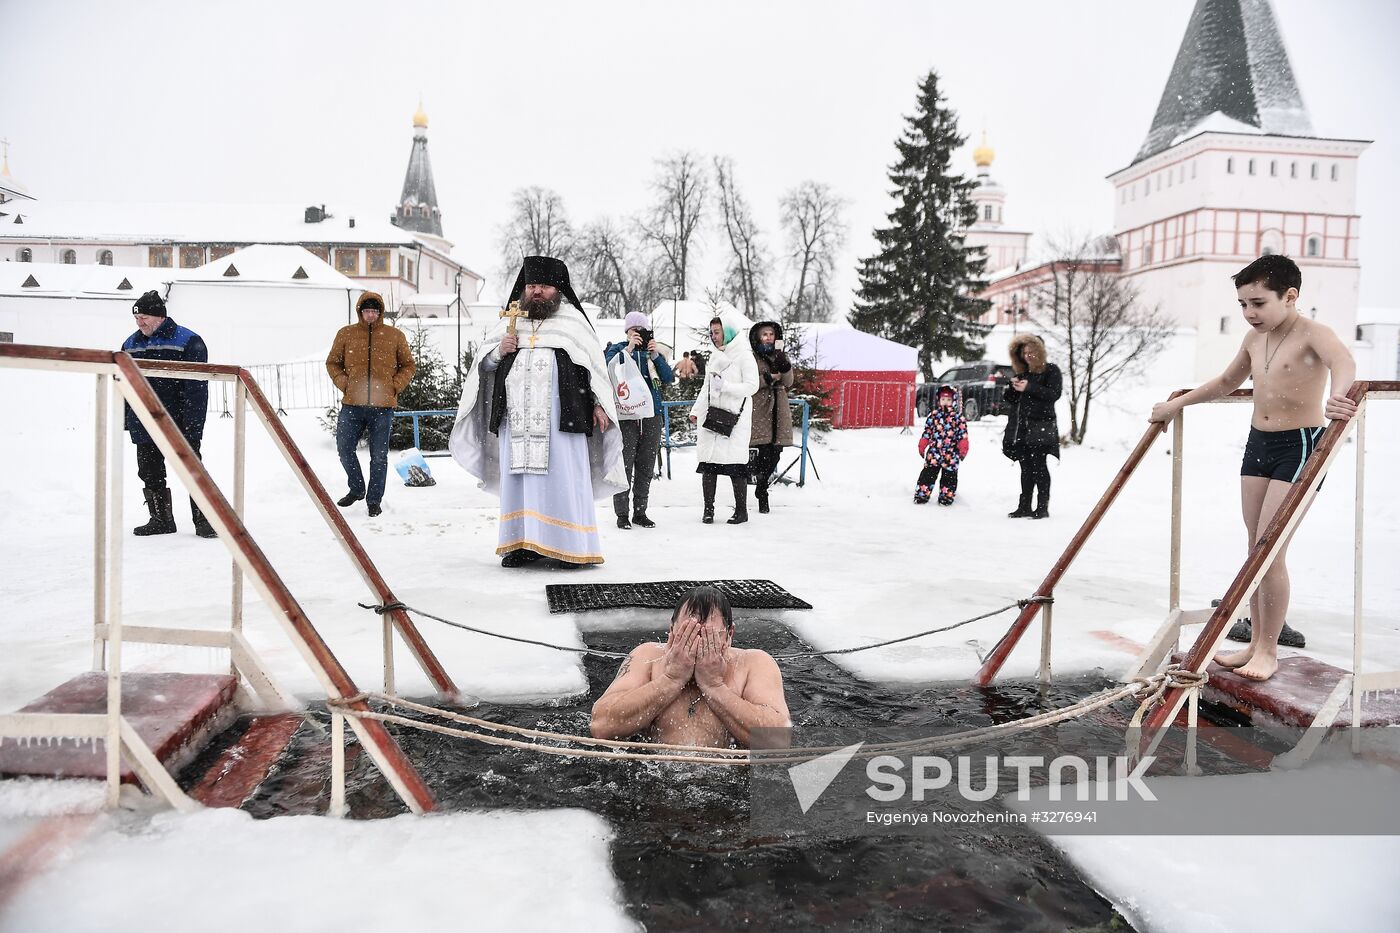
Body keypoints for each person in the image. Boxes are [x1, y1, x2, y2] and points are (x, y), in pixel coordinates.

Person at [1150, 254, 1356, 682]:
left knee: (1271, 548)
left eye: (1258, 303)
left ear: (1290, 295)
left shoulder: (1313, 333)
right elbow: (1226, 383)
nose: (1249, 313)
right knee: (1255, 548)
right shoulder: (1252, 339)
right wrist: (1175, 405)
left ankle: (1268, 650)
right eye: (1243, 304)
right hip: (1258, 443)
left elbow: (1344, 364)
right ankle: (1253, 643)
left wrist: (1340, 398)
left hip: (1299, 444)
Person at [448, 256, 625, 568]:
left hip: (562, 422)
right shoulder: (509, 322)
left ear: (558, 289)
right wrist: (496, 352)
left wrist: (599, 403)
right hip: (515, 423)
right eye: (532, 286)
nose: (537, 292)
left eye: (544, 286)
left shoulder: (574, 324)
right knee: (520, 485)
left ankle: (569, 545)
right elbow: (483, 370)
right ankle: (521, 543)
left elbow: (593, 368)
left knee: (563, 482)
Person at [589, 586, 791, 749]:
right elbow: (601, 725)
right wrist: (671, 679)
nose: (696, 646)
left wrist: (715, 686)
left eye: (708, 637)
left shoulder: (753, 663)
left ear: (729, 635)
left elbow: (778, 740)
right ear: (671, 630)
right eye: (687, 634)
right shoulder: (648, 656)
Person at [120, 290, 215, 539]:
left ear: (160, 316)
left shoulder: (188, 341)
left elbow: (196, 388)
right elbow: (125, 383)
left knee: (191, 469)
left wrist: (193, 425)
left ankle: (205, 520)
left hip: (179, 421)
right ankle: (161, 518)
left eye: (144, 317)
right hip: (144, 421)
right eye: (137, 318)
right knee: (149, 471)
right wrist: (127, 418)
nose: (140, 323)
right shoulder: (130, 344)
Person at [325, 291, 415, 518]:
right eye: (366, 311)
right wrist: (344, 383)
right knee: (344, 448)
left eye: (374, 311)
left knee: (379, 456)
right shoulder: (346, 334)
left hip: (383, 407)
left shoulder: (394, 336)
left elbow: (408, 365)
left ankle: (374, 500)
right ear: (360, 311)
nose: (370, 315)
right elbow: (332, 363)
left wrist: (394, 386)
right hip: (352, 404)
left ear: (380, 312)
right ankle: (356, 488)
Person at [603, 311, 675, 529]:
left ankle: (640, 512)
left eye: (642, 331)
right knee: (624, 465)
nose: (639, 335)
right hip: (627, 415)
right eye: (635, 331)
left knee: (646, 465)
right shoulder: (618, 349)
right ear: (627, 331)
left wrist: (654, 356)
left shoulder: (652, 353)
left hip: (651, 415)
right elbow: (609, 369)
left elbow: (668, 378)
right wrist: (629, 349)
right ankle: (622, 514)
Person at [688, 313, 759, 524]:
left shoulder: (744, 356)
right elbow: (706, 387)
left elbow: (752, 386)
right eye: (711, 332)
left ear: (727, 332)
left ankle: (741, 511)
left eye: (717, 332)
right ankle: (708, 510)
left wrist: (726, 388)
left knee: (735, 465)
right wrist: (696, 410)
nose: (713, 336)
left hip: (734, 418)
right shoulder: (714, 355)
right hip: (712, 416)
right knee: (709, 464)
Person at [1002, 333, 1061, 519]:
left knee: (1039, 467)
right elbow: (1010, 401)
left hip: (1041, 428)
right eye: (1025, 352)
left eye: (1032, 351)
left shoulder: (1051, 370)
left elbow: (1054, 394)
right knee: (1025, 468)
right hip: (1021, 430)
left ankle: (1042, 508)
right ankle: (1025, 506)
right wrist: (1012, 387)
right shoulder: (1022, 373)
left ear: (1040, 351)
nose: (1028, 355)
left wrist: (1030, 387)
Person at [748, 321, 794, 514]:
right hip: (760, 409)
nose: (768, 337)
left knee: (776, 452)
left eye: (771, 334)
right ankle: (762, 490)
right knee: (763, 450)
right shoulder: (751, 358)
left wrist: (784, 367)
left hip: (778, 409)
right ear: (757, 337)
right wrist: (767, 378)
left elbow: (789, 382)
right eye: (764, 334)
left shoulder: (780, 356)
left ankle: (762, 484)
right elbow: (748, 382)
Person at [914, 384, 969, 505]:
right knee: (928, 475)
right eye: (943, 399)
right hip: (934, 453)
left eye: (949, 399)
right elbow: (927, 432)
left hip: (951, 454)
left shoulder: (958, 418)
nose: (946, 402)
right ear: (939, 400)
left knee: (949, 477)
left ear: (953, 401)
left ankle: (946, 497)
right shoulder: (933, 416)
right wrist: (923, 444)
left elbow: (962, 435)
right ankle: (922, 495)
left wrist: (963, 447)